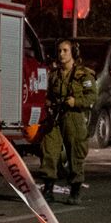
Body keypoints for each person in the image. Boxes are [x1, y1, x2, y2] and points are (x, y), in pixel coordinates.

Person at [38, 39, 97, 203]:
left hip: (73, 117)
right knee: (49, 151)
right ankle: (48, 188)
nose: (61, 54)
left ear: (73, 53)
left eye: (65, 50)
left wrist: (76, 102)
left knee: (75, 153)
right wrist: (49, 103)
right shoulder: (54, 74)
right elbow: (48, 95)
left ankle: (75, 190)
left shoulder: (83, 75)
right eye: (59, 51)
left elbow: (92, 95)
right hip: (55, 117)